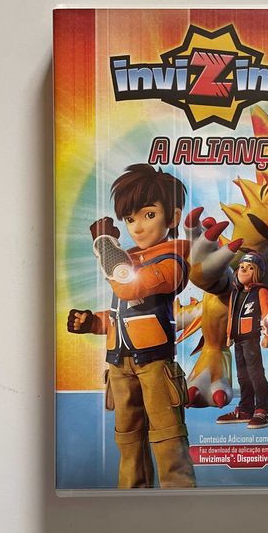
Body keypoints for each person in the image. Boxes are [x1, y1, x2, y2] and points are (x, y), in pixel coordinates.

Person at [67, 164, 197, 489]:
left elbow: (129, 287)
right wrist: (92, 322)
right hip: (119, 364)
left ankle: (182, 505)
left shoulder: (173, 261)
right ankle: (130, 500)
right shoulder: (128, 260)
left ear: (173, 217)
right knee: (127, 440)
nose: (137, 227)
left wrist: (105, 244)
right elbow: (122, 311)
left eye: (149, 215)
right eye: (130, 219)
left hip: (154, 364)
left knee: (167, 438)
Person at [216, 252, 268, 428]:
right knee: (242, 375)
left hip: (251, 338)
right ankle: (246, 409)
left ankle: (263, 409)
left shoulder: (261, 291)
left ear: (258, 272)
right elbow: (231, 316)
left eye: (250, 268)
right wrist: (228, 335)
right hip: (238, 339)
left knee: (256, 374)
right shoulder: (235, 293)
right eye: (241, 267)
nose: (244, 270)